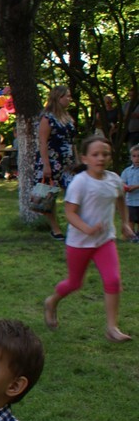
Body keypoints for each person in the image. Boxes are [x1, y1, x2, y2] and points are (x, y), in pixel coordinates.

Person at [43, 135, 134, 342]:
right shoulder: (80, 183)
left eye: (105, 154)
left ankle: (112, 328)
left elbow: (121, 199)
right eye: (95, 155)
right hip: (79, 242)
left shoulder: (114, 179)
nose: (100, 158)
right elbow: (70, 213)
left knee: (113, 280)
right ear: (85, 158)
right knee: (75, 283)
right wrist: (88, 229)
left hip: (105, 241)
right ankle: (52, 302)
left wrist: (125, 223)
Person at [34, 86, 77, 239]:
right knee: (49, 196)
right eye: (67, 96)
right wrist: (46, 165)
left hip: (68, 162)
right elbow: (43, 142)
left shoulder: (68, 117)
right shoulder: (47, 118)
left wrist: (76, 161)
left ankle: (75, 224)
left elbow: (73, 142)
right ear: (58, 97)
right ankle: (55, 228)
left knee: (74, 192)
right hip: (52, 161)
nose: (69, 99)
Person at [121, 144, 139, 241]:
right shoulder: (127, 171)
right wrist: (125, 187)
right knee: (131, 219)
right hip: (130, 201)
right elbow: (122, 183)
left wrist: (136, 186)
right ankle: (131, 236)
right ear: (131, 157)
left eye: (138, 156)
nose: (136, 159)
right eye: (134, 156)